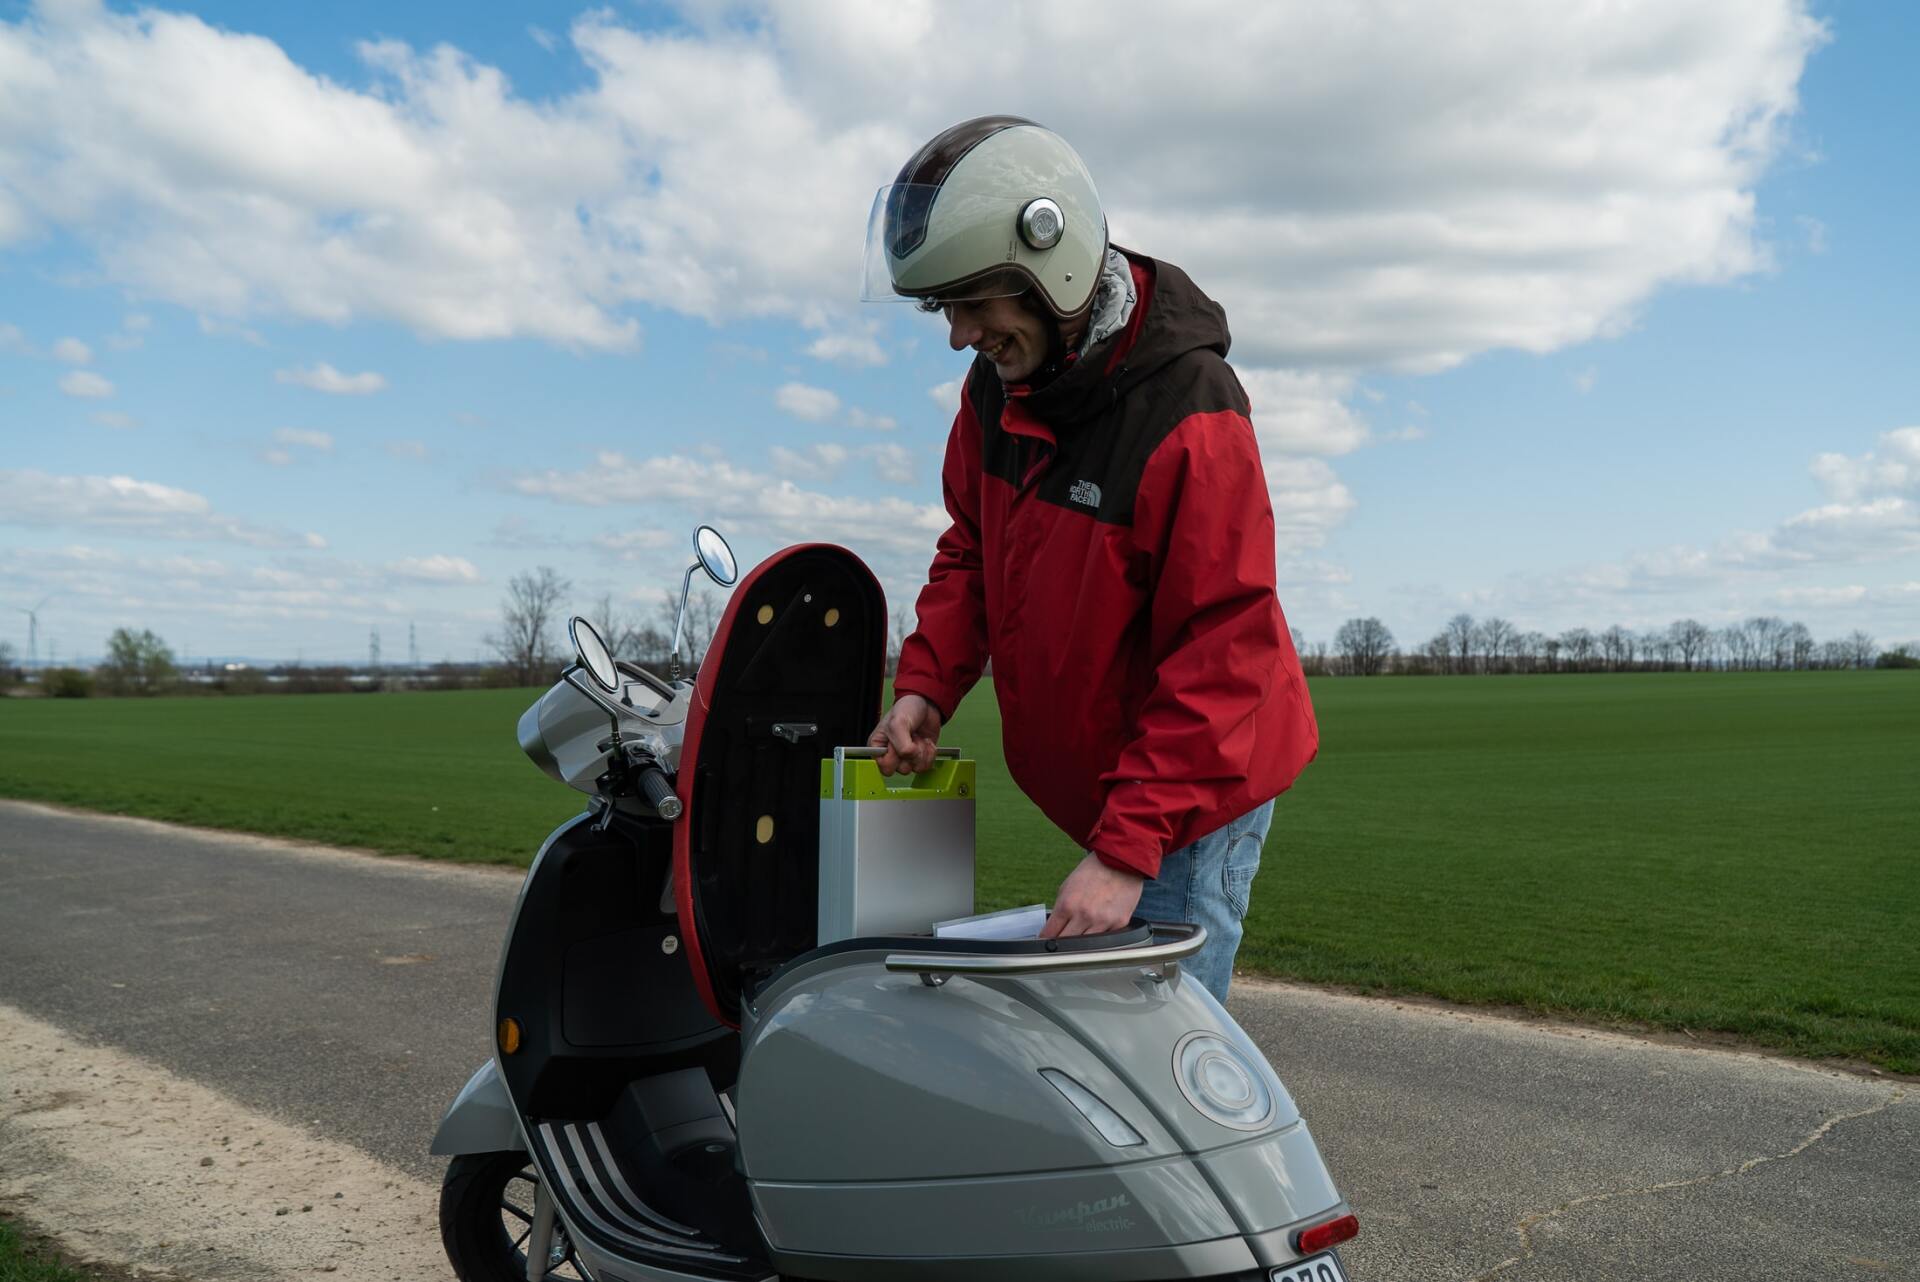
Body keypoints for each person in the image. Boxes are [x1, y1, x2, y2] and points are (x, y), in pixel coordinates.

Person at [861, 116, 1318, 1002]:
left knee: (1160, 1054)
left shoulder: (1190, 413)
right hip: (1128, 787)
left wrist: (1124, 851)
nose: (959, 336)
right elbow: (972, 549)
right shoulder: (1002, 388)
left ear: (1050, 264)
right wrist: (926, 686)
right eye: (941, 308)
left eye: (970, 303)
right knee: (1113, 1042)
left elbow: (1222, 652)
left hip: (1194, 793)